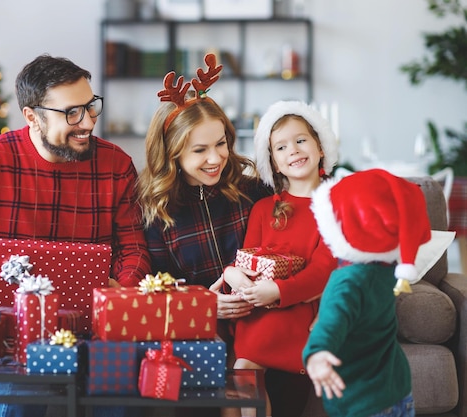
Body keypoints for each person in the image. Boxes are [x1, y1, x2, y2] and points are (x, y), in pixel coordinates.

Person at [0, 54, 151, 417]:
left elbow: (133, 246)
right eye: (72, 113)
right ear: (32, 117)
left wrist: (122, 289)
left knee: (121, 398)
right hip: (10, 326)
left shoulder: (116, 165)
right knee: (20, 400)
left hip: (93, 324)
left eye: (91, 107)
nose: (87, 121)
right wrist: (4, 273)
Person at [136, 53, 272, 417]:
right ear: (173, 153)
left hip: (262, 321)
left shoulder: (254, 192)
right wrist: (204, 304)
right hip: (197, 327)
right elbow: (156, 285)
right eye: (200, 150)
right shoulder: (155, 212)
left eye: (221, 144)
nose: (215, 158)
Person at [222, 100, 339, 417]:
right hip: (257, 308)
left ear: (320, 147)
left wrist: (279, 291)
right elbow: (248, 259)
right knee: (237, 385)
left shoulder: (334, 209)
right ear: (273, 162)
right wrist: (233, 275)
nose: (294, 151)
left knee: (243, 369)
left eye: (301, 140)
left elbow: (323, 271)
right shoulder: (263, 209)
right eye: (281, 147)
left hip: (297, 310)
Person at [303, 168, 428, 417]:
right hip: (397, 389)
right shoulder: (385, 269)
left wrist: (316, 353)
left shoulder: (347, 281)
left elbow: (331, 323)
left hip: (361, 400)